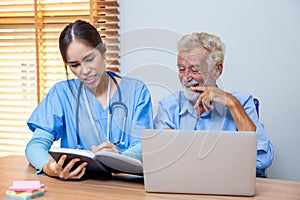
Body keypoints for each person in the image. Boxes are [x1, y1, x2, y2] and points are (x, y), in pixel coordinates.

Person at [25, 20, 153, 180]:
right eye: (74, 65)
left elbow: (143, 147)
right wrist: (49, 167)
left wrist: (119, 155)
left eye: (90, 59)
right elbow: (35, 145)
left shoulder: (136, 91)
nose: (85, 71)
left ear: (103, 50)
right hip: (77, 186)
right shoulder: (62, 93)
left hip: (123, 185)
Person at [153, 32, 273, 176]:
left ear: (217, 70)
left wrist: (232, 104)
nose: (186, 77)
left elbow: (262, 160)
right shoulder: (169, 106)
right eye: (181, 69)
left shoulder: (242, 103)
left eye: (195, 70)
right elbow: (157, 160)